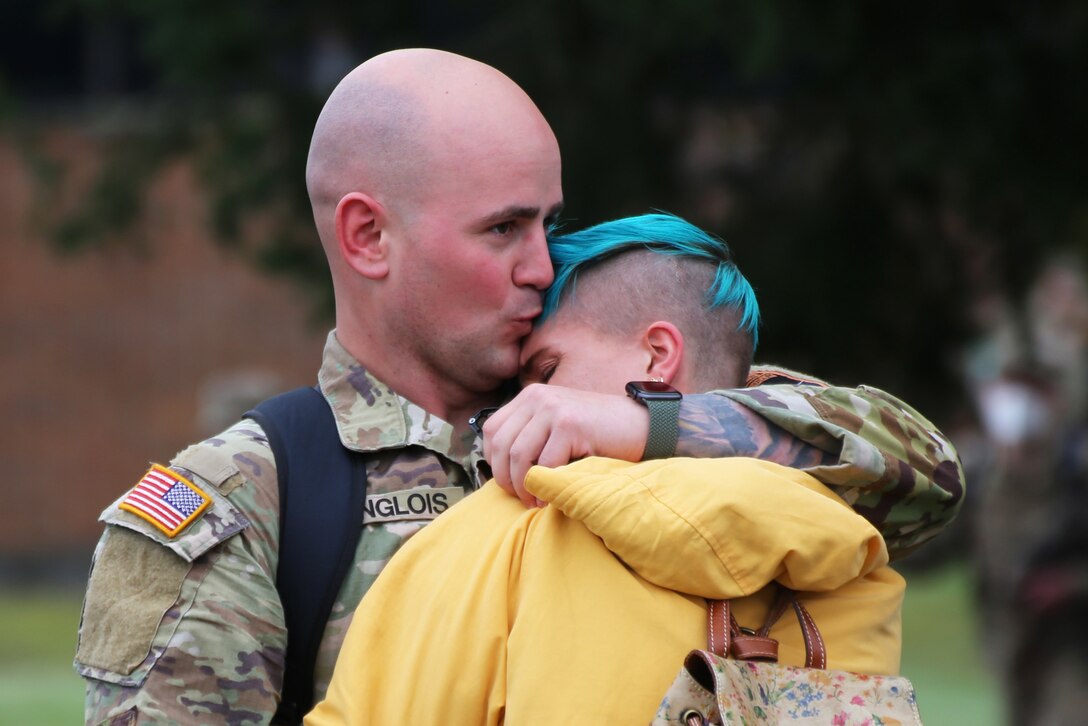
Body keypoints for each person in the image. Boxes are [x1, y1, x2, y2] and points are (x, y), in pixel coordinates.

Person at [75, 49, 961, 725]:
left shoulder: (621, 403)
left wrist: (634, 422)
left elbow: (923, 477)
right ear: (369, 237)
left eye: (549, 222)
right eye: (502, 228)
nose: (542, 267)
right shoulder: (244, 503)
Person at [306, 213, 905, 724]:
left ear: (657, 355)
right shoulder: (856, 543)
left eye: (547, 372)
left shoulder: (495, 538)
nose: (522, 412)